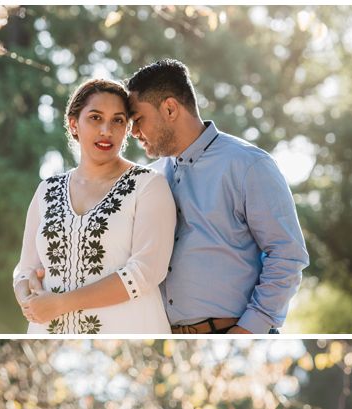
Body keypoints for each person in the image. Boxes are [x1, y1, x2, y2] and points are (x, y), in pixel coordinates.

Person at [125, 58, 309, 334]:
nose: (134, 133)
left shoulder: (248, 165)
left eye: (138, 120)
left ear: (170, 108)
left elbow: (287, 255)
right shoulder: (149, 180)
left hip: (235, 336)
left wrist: (249, 329)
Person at [13, 78, 176, 334]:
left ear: (126, 129)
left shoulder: (148, 186)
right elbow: (25, 269)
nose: (106, 130)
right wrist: (26, 298)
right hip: (48, 335)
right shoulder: (47, 190)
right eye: (95, 118)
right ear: (74, 124)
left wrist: (60, 304)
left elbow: (146, 271)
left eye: (118, 120)